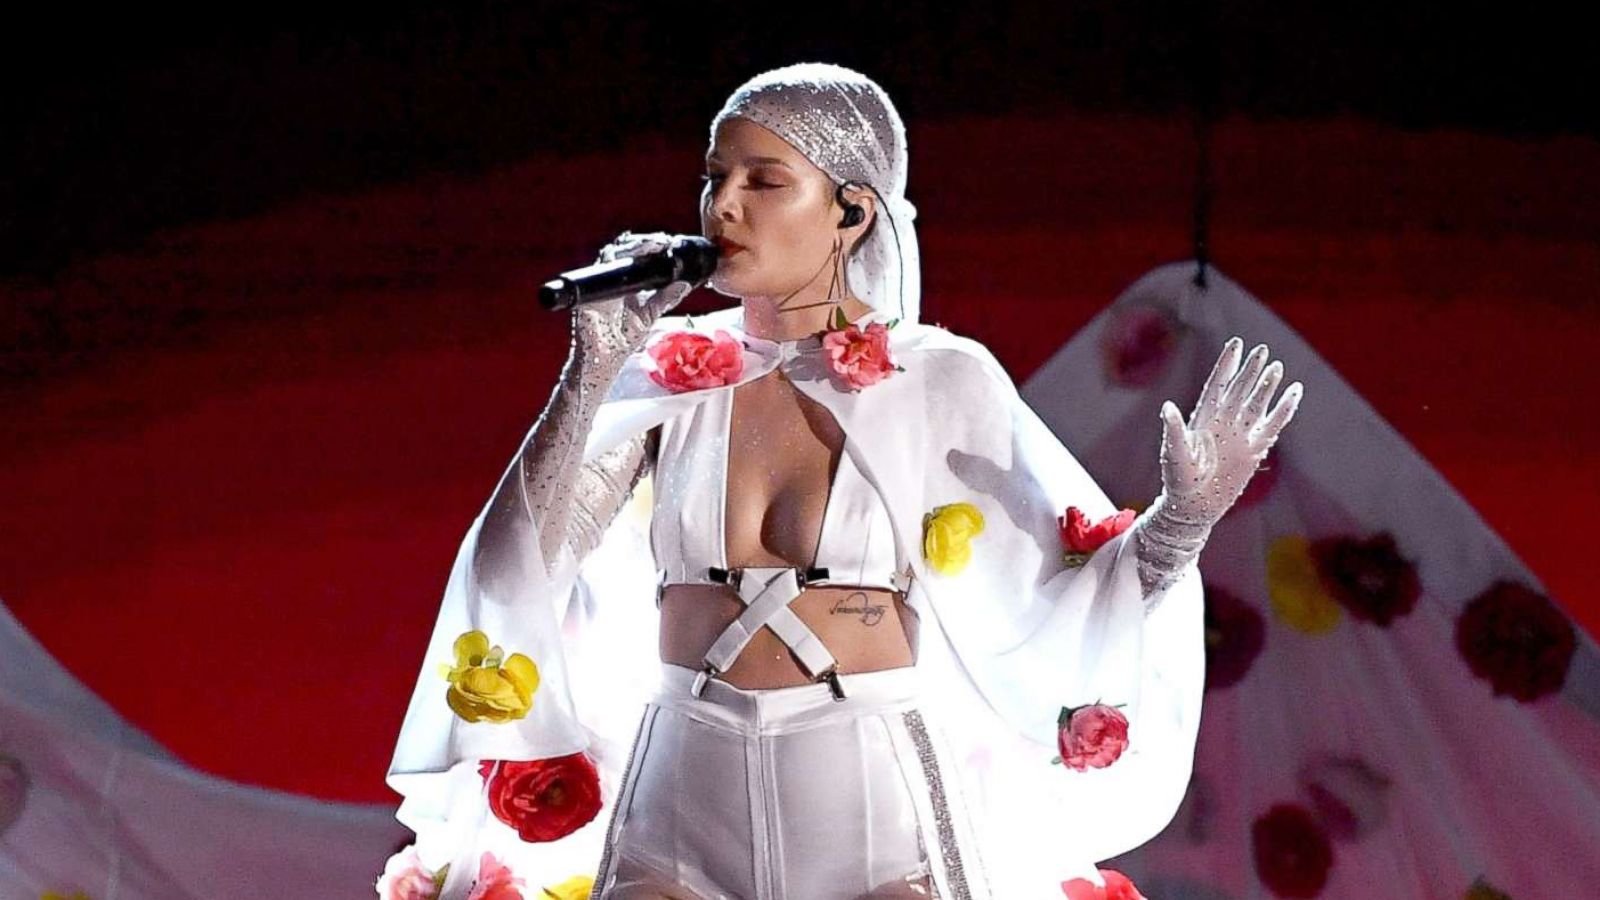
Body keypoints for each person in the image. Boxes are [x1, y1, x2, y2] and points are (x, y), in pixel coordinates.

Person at [383, 62, 1303, 900]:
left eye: (763, 181)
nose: (724, 208)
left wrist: (1185, 519)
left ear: (851, 212)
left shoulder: (938, 377)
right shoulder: (667, 372)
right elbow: (520, 570)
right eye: (715, 177)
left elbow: (1051, 610)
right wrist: (591, 373)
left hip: (865, 790)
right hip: (682, 777)